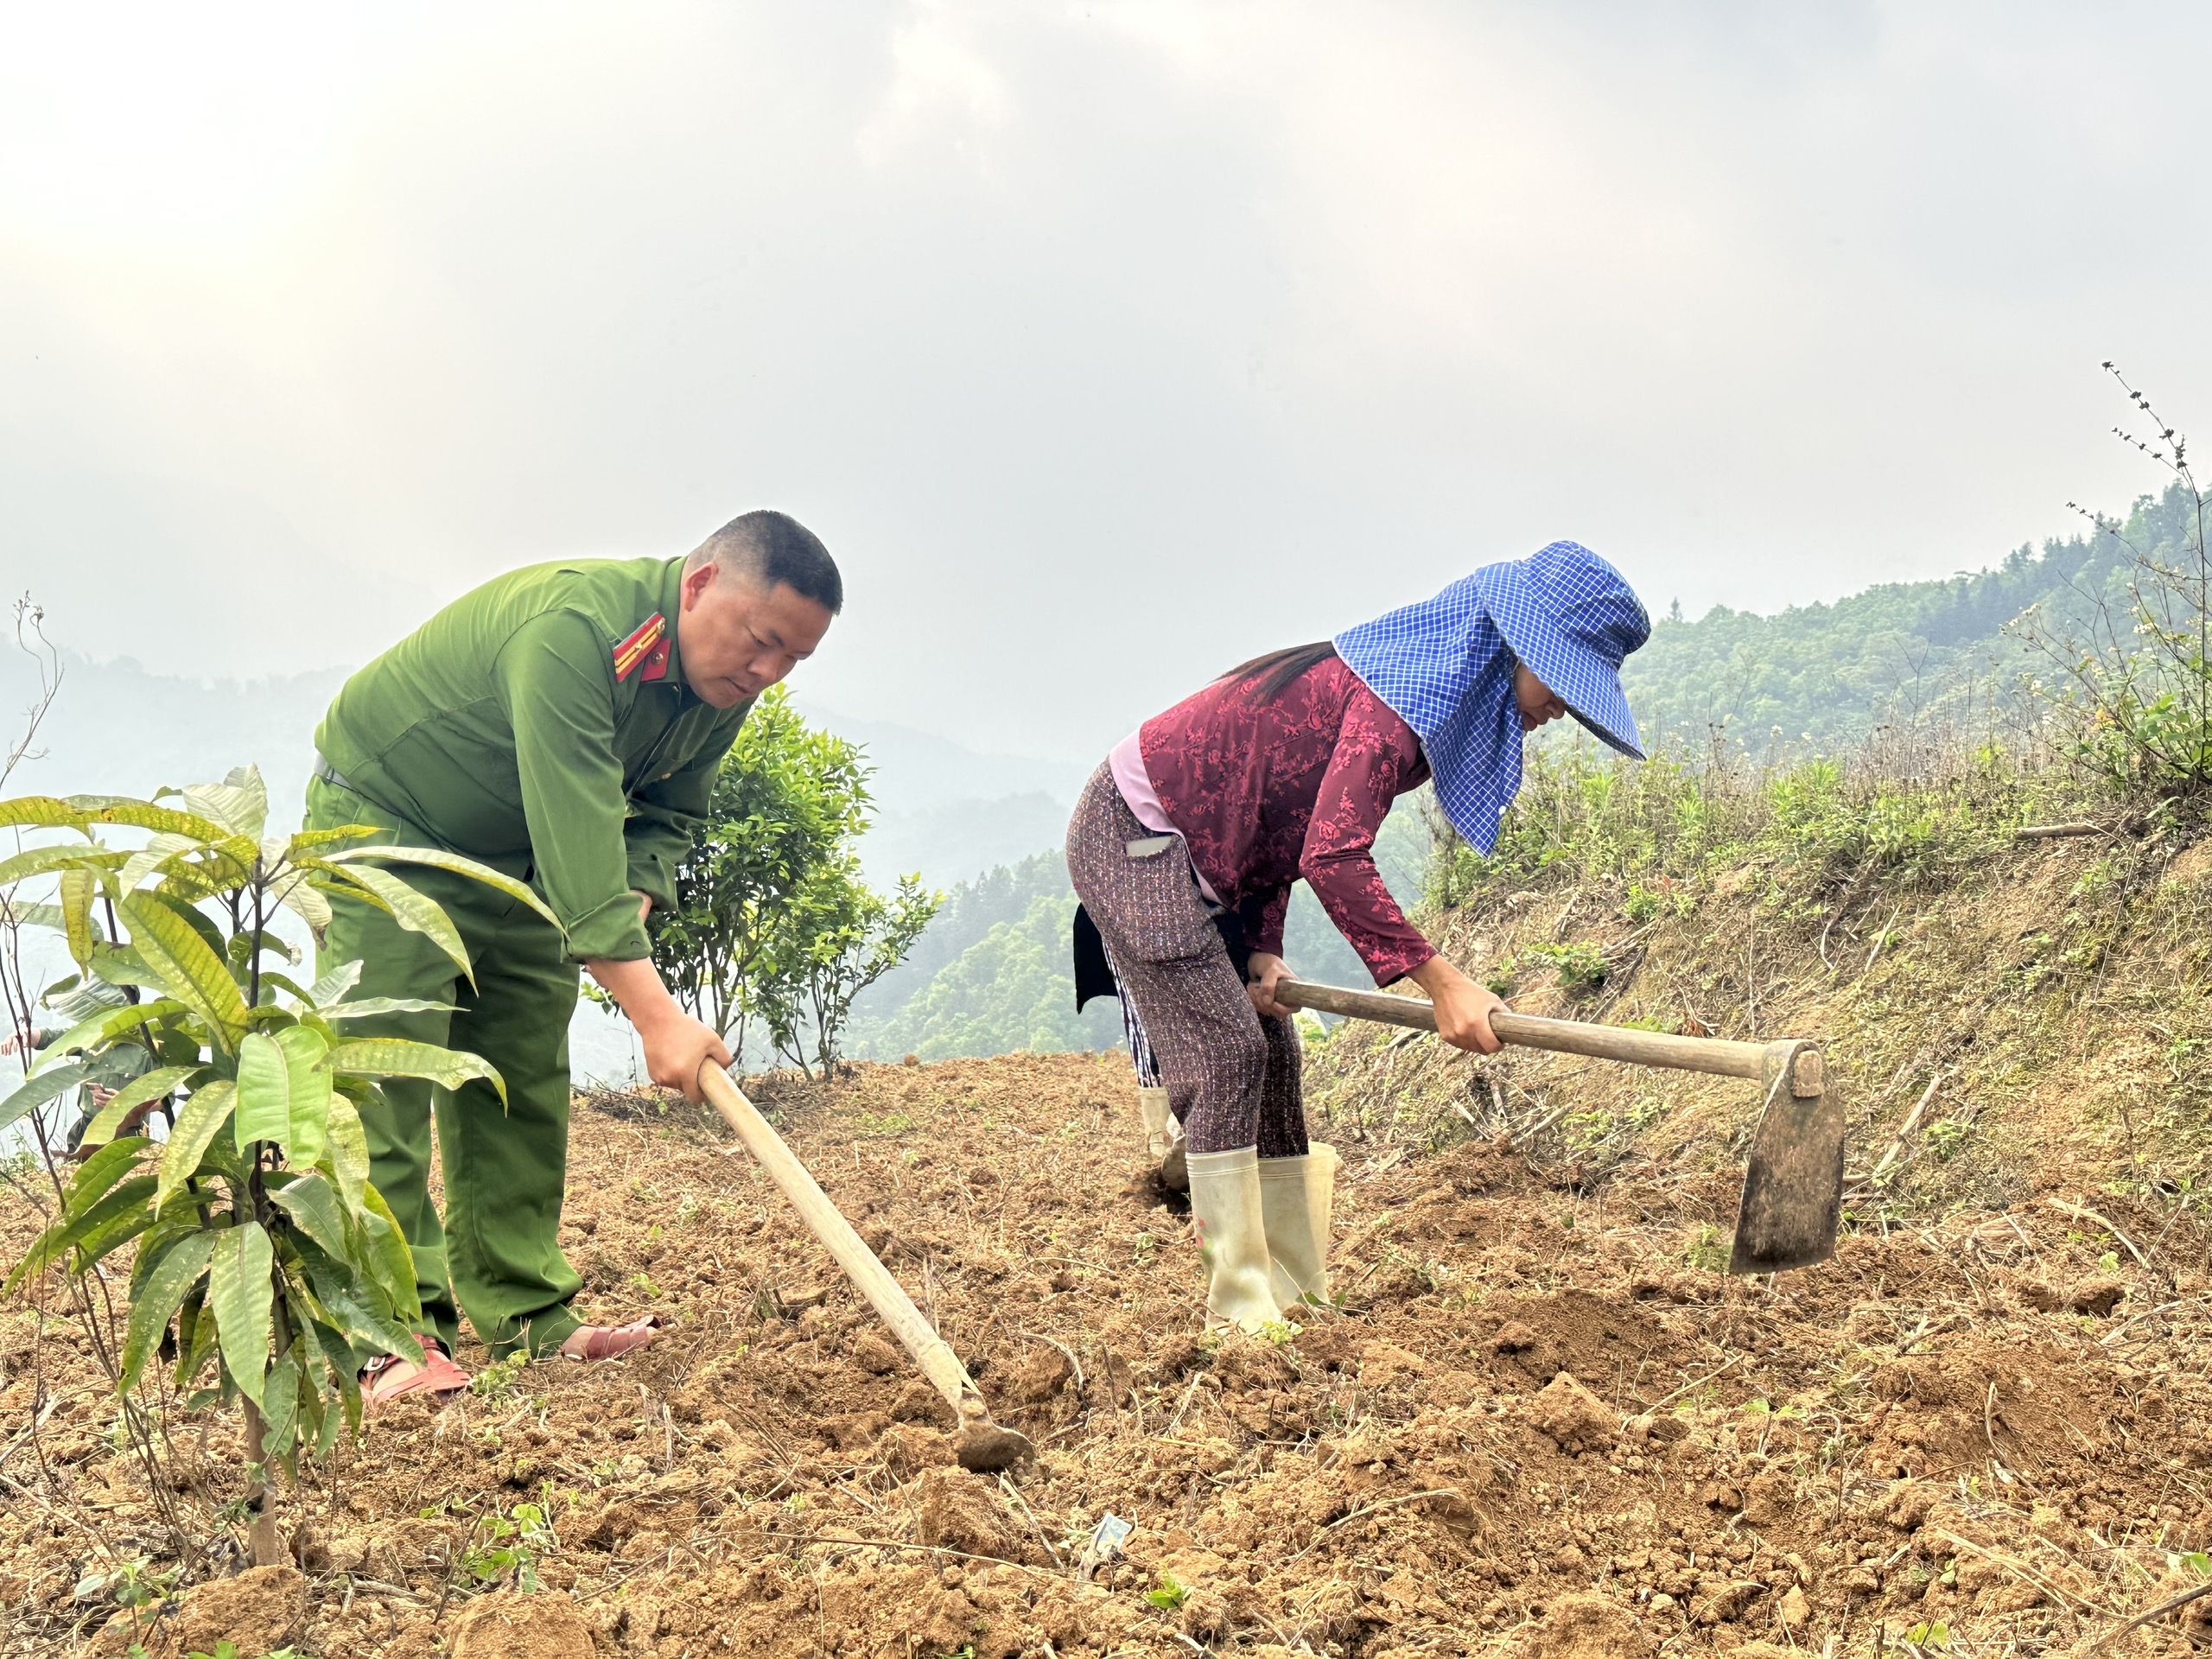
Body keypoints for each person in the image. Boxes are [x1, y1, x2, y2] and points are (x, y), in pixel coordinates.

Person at [306, 511, 841, 1405]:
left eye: (793, 660)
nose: (767, 673)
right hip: (391, 831)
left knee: (517, 1074)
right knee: (381, 1079)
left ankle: (527, 1319)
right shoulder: (574, 635)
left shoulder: (724, 689)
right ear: (701, 584)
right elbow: (578, 824)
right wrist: (657, 1017)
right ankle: (389, 1338)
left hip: (518, 862)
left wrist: (627, 896)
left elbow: (666, 815)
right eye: (761, 643)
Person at [1066, 541, 1649, 1331]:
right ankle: (1239, 1316)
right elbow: (1333, 854)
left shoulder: (1405, 698)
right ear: (1510, 648)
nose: (1561, 712)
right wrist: (1443, 982)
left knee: (1276, 1050)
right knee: (1231, 1054)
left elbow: (1276, 822)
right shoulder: (1390, 706)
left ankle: (1296, 1290)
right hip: (1135, 837)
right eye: (1562, 684)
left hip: (1214, 861)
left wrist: (1263, 946)